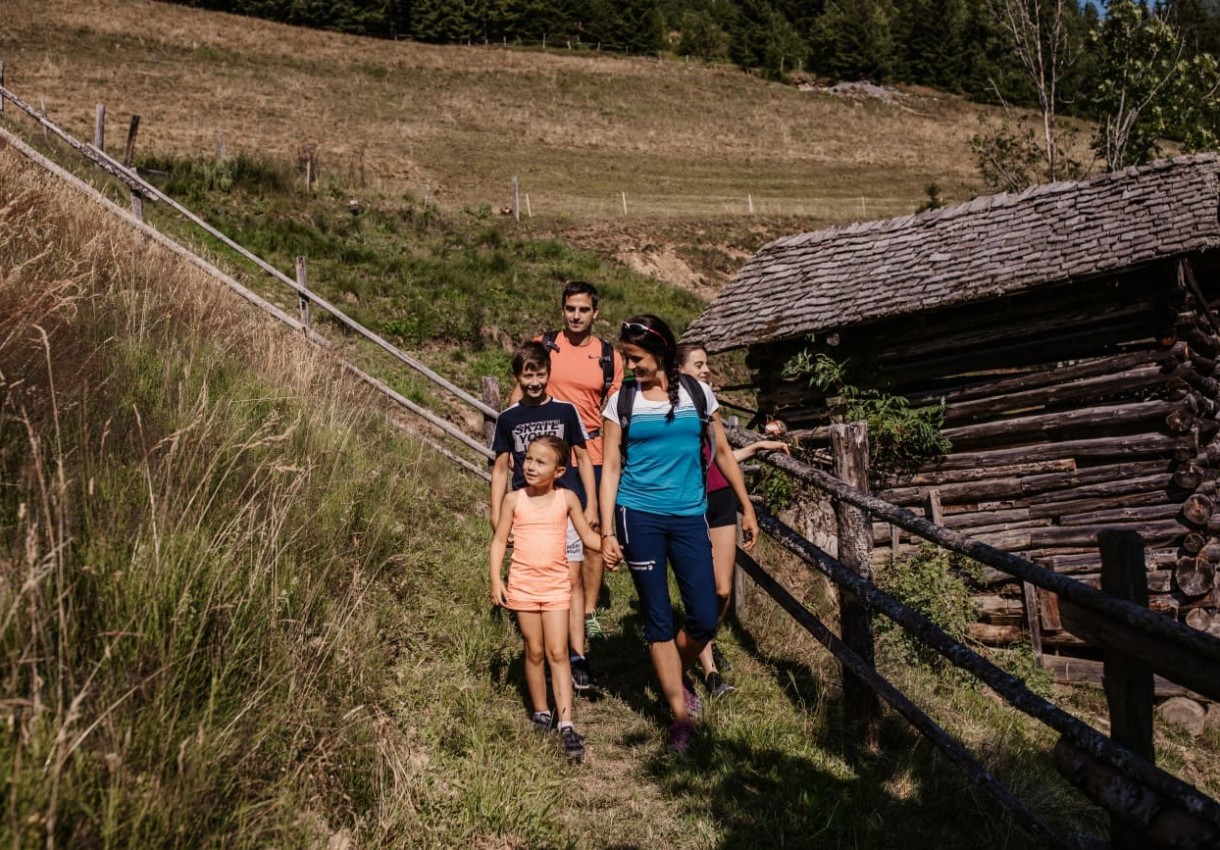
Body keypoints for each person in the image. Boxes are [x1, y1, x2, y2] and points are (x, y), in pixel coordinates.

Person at [598, 315, 759, 754]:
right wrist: (607, 529)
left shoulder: (697, 393)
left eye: (637, 358)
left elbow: (722, 452)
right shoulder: (621, 400)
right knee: (657, 619)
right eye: (627, 358)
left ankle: (671, 670)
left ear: (662, 352)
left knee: (705, 615)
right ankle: (680, 717)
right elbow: (610, 468)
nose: (631, 366)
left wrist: (745, 506)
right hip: (639, 517)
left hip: (690, 516)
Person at [511, 280, 624, 643]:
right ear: (562, 310)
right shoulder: (544, 345)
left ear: (596, 313)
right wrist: (514, 447)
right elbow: (519, 395)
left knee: (591, 528)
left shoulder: (609, 357)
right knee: (543, 528)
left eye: (583, 310)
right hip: (545, 452)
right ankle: (542, 600)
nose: (576, 316)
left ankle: (587, 612)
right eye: (570, 309)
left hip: (590, 454)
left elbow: (615, 414)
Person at [676, 342, 789, 698]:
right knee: (702, 589)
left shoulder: (707, 401)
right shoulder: (666, 407)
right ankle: (709, 672)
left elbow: (720, 453)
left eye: (706, 363)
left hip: (721, 496)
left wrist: (754, 448)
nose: (706, 369)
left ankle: (701, 643)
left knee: (722, 590)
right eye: (699, 364)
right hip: (689, 501)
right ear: (679, 369)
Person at [492, 342, 597, 691]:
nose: (535, 382)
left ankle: (576, 654)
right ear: (517, 377)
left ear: (549, 373)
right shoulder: (508, 419)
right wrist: (496, 513)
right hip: (529, 512)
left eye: (540, 374)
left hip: (565, 506)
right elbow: (500, 469)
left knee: (572, 580)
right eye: (528, 375)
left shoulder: (566, 411)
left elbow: (583, 457)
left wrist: (591, 505)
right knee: (539, 576)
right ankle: (549, 653)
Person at [490, 435, 602, 762]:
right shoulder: (513, 500)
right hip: (523, 585)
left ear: (559, 471)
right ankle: (541, 713)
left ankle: (566, 723)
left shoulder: (566, 498)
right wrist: (496, 579)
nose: (531, 466)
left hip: (556, 586)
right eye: (528, 459)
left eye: (541, 462)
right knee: (534, 650)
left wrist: (610, 547)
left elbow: (587, 536)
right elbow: (499, 542)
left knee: (558, 651)